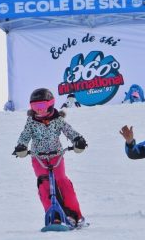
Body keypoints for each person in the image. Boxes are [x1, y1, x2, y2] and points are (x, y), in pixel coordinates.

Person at [12, 88, 88, 226]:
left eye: (41, 106)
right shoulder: (31, 121)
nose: (38, 110)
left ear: (50, 104)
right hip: (38, 158)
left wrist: (78, 139)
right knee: (44, 183)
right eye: (34, 106)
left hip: (56, 156)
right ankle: (55, 215)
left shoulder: (57, 119)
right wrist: (21, 146)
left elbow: (68, 130)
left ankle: (75, 215)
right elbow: (25, 135)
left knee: (61, 181)